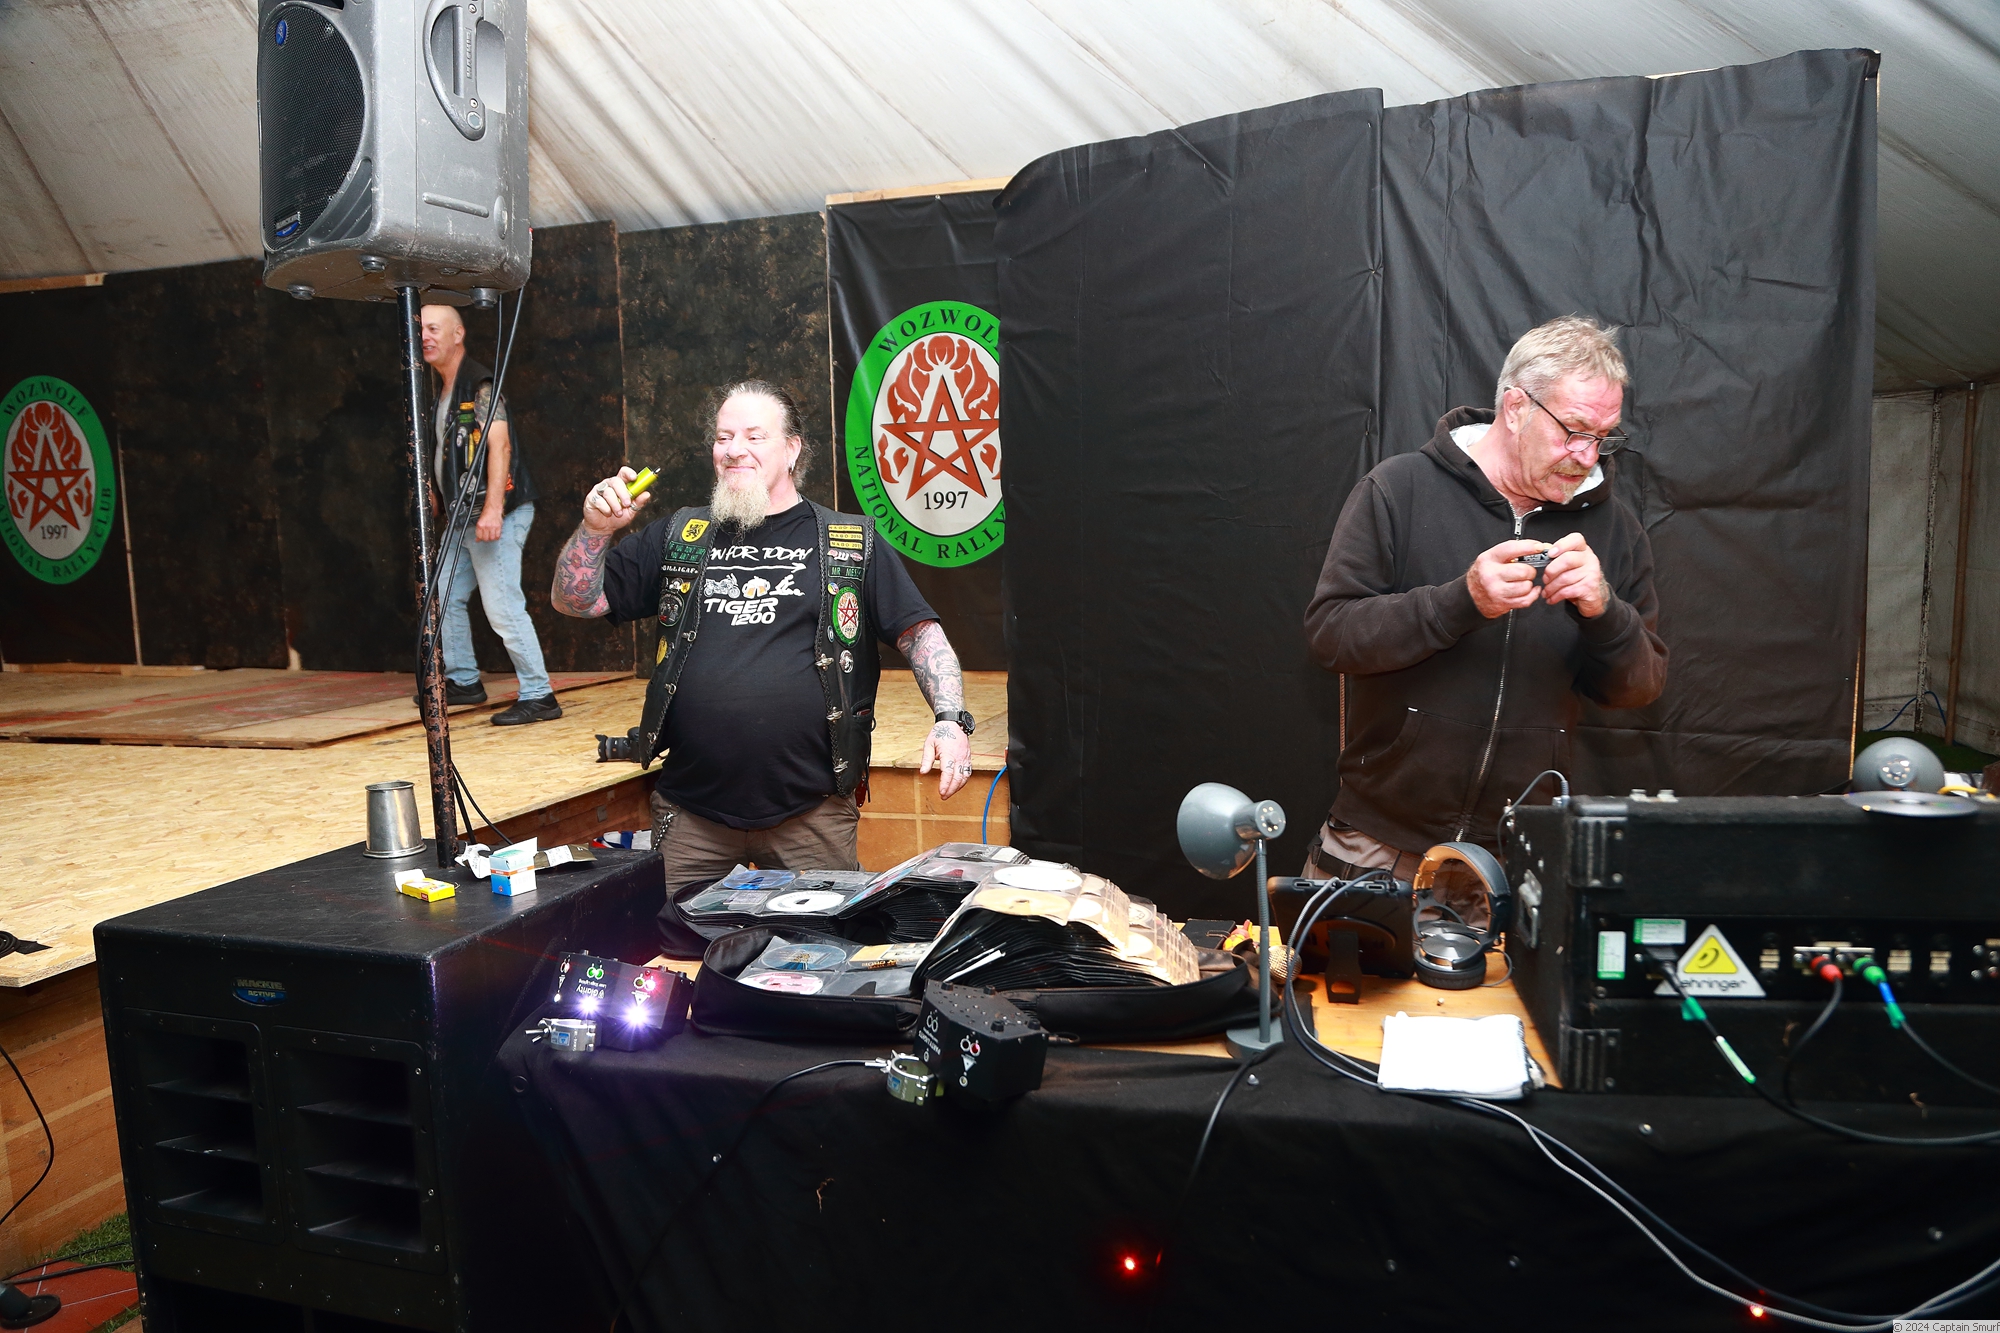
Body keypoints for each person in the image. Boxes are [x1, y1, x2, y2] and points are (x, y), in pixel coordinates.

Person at [550, 379, 976, 896]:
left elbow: (920, 633)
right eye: (723, 437)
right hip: (690, 814)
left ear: (792, 449)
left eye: (754, 437)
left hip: (812, 815)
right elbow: (576, 602)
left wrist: (951, 720)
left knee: (818, 940)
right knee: (672, 937)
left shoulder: (849, 540)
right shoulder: (679, 535)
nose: (734, 450)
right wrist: (595, 529)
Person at [1303, 316, 1668, 904]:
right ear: (1516, 408)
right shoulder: (1400, 489)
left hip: (1510, 863)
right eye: (1574, 431)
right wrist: (1460, 601)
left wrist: (1605, 613)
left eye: (1603, 437)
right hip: (1376, 845)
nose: (1586, 455)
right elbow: (1331, 635)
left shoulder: (1616, 530)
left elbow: (1639, 687)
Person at [420, 302, 559, 725]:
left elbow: (500, 446)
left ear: (458, 334)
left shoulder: (479, 383)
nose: (424, 337)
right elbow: (450, 453)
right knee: (443, 596)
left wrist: (494, 509)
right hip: (461, 516)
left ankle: (539, 694)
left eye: (433, 329)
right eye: (420, 329)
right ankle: (463, 680)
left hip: (493, 514)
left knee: (503, 607)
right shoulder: (443, 389)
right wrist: (437, 494)